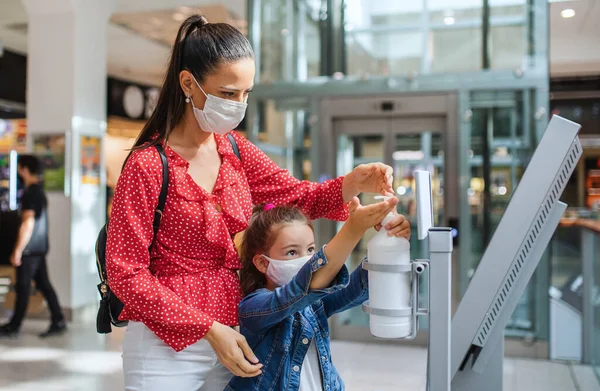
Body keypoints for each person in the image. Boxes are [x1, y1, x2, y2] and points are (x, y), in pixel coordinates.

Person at [106, 14, 410, 391]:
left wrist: (353, 183)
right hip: (166, 345)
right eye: (228, 93)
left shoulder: (234, 150)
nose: (239, 104)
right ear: (188, 83)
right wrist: (207, 328)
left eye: (246, 94)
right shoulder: (148, 165)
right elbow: (125, 273)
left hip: (237, 333)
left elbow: (298, 197)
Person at [226, 200, 408, 391]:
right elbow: (294, 294)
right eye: (292, 252)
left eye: (311, 250)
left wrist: (389, 240)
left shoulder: (315, 305)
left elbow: (357, 288)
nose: (307, 259)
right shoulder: (253, 308)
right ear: (263, 263)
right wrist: (353, 229)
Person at [0, 155, 66, 338]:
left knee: (23, 286)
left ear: (25, 169)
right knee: (44, 284)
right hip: (39, 247)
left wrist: (18, 250)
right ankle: (58, 319)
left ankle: (14, 325)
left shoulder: (30, 193)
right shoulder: (39, 191)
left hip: (29, 249)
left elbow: (28, 223)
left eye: (20, 168)